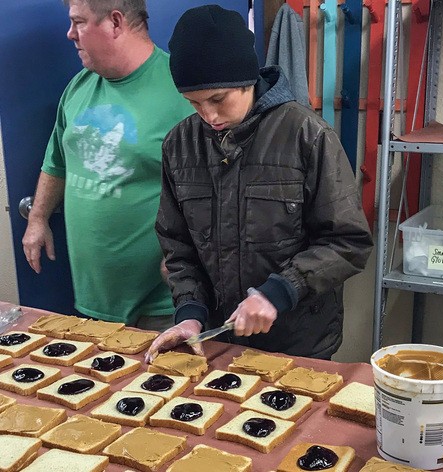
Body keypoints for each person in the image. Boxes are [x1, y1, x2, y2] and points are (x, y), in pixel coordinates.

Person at [145, 4, 373, 361]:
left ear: (247, 79)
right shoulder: (179, 145)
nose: (209, 115)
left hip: (298, 343)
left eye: (218, 99)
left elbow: (349, 241)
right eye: (194, 103)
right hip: (217, 340)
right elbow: (178, 247)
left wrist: (279, 292)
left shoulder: (307, 135)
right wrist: (190, 313)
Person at [22, 0, 193, 331]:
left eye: (79, 22)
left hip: (162, 304)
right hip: (92, 299)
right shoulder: (79, 86)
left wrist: (191, 254)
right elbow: (57, 161)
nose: (70, 34)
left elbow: (216, 189)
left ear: (115, 22)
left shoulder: (181, 92)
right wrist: (38, 218)